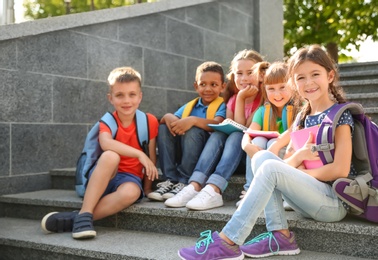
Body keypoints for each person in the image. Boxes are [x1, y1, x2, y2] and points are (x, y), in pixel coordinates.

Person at [178, 44, 355, 259]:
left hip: (333, 203)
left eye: (315, 74)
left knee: (270, 165)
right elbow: (285, 164)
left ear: (330, 76)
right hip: (305, 200)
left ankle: (228, 241)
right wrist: (297, 158)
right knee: (262, 157)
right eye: (300, 78)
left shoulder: (341, 115)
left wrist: (295, 173)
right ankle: (281, 235)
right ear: (294, 82)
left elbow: (341, 170)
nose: (308, 83)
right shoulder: (302, 117)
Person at [41, 67, 159, 239]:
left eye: (132, 94)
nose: (126, 100)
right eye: (120, 95)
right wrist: (140, 155)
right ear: (110, 98)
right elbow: (106, 143)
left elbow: (151, 159)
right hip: (104, 176)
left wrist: (147, 188)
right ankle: (86, 210)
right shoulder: (108, 121)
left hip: (129, 179)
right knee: (111, 155)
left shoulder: (149, 121)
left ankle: (79, 217)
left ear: (140, 96)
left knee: (132, 193)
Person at [165, 49, 264, 210]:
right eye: (239, 73)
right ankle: (195, 185)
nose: (244, 78)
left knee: (237, 135)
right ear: (233, 76)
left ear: (261, 74)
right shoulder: (231, 100)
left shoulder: (264, 99)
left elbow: (243, 128)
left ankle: (215, 189)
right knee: (219, 133)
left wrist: (241, 98)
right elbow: (233, 125)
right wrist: (237, 99)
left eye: (250, 72)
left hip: (246, 158)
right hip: (228, 157)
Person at [147, 61, 227, 201]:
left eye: (213, 85)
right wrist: (167, 117)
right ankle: (170, 179)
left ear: (222, 87)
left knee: (193, 130)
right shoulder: (191, 105)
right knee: (163, 128)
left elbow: (218, 123)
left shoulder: (222, 104)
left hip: (204, 155)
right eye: (203, 84)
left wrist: (193, 120)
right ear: (196, 86)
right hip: (184, 150)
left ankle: (184, 181)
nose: (207, 89)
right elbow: (171, 120)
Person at [236, 61, 300, 207]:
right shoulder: (263, 111)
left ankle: (284, 194)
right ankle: (251, 191)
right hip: (265, 153)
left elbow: (295, 129)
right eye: (271, 89)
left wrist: (276, 145)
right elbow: (249, 133)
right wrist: (246, 146)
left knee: (272, 143)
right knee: (257, 141)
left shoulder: (299, 108)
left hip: (289, 156)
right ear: (265, 90)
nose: (277, 94)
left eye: (282, 87)